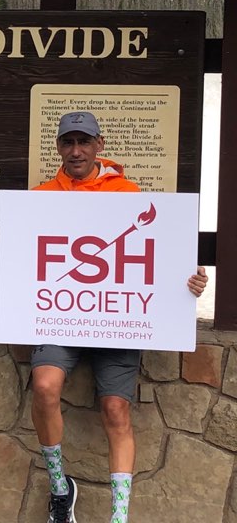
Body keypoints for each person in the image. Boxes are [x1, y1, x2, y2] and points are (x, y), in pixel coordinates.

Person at [29, 111, 208, 523]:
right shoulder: (40, 196)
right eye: (68, 142)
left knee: (115, 409)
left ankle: (119, 516)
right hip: (61, 317)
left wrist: (190, 282)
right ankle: (61, 489)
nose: (76, 150)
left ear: (99, 145)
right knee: (44, 385)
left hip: (116, 318)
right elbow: (26, 260)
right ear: (58, 147)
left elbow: (155, 258)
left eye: (84, 142)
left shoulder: (130, 194)